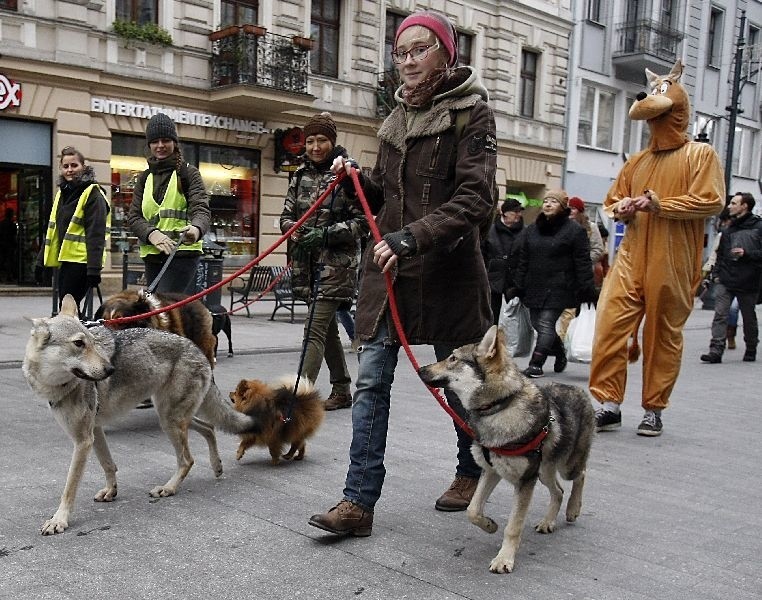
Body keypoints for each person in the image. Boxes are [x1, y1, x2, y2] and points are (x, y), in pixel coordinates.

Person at [308, 9, 496, 536]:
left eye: (420, 49)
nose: (409, 60)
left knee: (459, 383)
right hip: (388, 275)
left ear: (446, 53)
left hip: (448, 273)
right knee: (370, 386)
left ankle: (470, 469)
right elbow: (389, 195)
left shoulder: (471, 114)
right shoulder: (393, 122)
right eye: (401, 52)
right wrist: (353, 180)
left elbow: (476, 198)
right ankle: (358, 503)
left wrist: (412, 237)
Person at [589, 60, 724, 437]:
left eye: (659, 116)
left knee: (662, 335)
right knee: (610, 325)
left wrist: (659, 203)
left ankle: (653, 409)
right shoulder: (637, 161)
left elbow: (710, 200)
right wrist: (624, 208)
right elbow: (612, 201)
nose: (653, 123)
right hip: (632, 255)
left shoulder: (701, 155)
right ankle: (609, 403)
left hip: (673, 259)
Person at [280, 112, 368, 410]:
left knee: (314, 330)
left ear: (333, 141)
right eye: (311, 141)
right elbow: (285, 216)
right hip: (307, 267)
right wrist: (293, 232)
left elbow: (363, 223)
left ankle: (296, 403)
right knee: (326, 329)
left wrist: (324, 235)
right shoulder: (300, 176)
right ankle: (342, 388)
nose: (315, 147)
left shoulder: (347, 174)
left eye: (322, 140)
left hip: (337, 267)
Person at [514, 189, 595, 378]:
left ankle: (536, 363)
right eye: (546, 201)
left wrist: (587, 288)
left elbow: (582, 261)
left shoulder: (574, 230)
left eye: (553, 201)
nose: (548, 204)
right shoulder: (532, 230)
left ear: (563, 206)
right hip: (534, 284)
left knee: (545, 323)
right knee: (537, 323)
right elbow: (523, 258)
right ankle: (559, 352)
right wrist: (517, 284)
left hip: (560, 285)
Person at [126, 113, 210, 294]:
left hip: (182, 254)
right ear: (149, 145)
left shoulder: (188, 173)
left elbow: (201, 209)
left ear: (175, 142)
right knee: (156, 309)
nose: (160, 146)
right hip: (152, 255)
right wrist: (152, 234)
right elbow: (133, 217)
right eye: (155, 141)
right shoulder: (144, 177)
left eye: (166, 140)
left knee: (164, 309)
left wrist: (195, 230)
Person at [36, 147, 109, 312]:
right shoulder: (63, 194)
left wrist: (94, 270)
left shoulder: (93, 194)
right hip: (66, 262)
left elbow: (96, 235)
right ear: (61, 169)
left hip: (82, 263)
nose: (70, 170)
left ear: (83, 166)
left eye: (74, 165)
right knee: (69, 311)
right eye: (66, 166)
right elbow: (52, 231)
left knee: (68, 311)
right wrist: (40, 262)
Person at [700, 192, 762, 364]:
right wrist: (716, 275)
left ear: (744, 206)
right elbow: (720, 255)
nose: (729, 206)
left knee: (748, 317)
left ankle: (751, 348)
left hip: (749, 280)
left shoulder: (758, 227)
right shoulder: (728, 229)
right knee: (720, 314)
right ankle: (716, 350)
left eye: (734, 203)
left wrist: (746, 253)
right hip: (726, 279)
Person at [556, 196, 604, 340]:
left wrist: (582, 260)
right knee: (561, 308)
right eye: (568, 208)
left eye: (574, 208)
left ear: (580, 211)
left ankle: (565, 339)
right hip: (561, 273)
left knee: (572, 308)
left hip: (581, 275)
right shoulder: (560, 226)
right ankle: (560, 338)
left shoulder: (591, 228)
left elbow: (598, 249)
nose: (570, 211)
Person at [482, 198, 524, 324]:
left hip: (515, 281)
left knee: (514, 319)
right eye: (515, 212)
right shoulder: (490, 230)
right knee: (491, 317)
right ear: (504, 213)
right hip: (493, 279)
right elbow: (483, 254)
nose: (518, 215)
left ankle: (510, 342)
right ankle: (491, 340)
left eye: (519, 212)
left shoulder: (525, 232)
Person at [0, 207, 18, 283]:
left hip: (2, 245)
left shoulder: (1, 224)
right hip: (9, 245)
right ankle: (9, 276)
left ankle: (4, 276)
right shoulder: (12, 225)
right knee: (9, 261)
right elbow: (14, 235)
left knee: (2, 260)